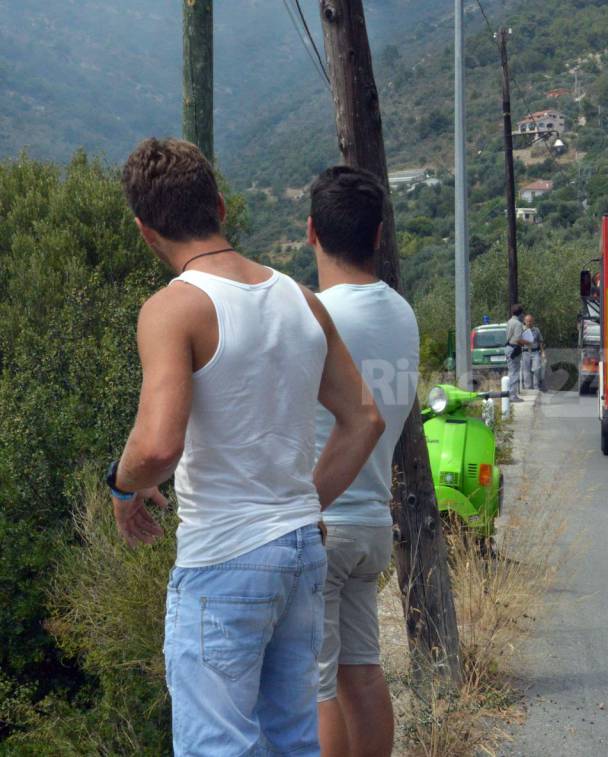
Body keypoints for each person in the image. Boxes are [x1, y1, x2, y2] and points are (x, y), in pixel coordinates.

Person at [108, 138, 384, 756]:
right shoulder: (300, 299)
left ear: (145, 230)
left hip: (225, 557)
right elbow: (364, 418)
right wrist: (297, 504)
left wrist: (123, 486)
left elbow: (155, 446)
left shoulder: (173, 309)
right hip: (298, 552)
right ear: (222, 207)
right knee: (292, 741)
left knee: (218, 746)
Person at [307, 166, 418, 757]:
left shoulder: (316, 317)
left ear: (310, 232)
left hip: (322, 520)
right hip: (373, 518)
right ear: (377, 236)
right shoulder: (403, 315)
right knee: (364, 672)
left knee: (316, 686)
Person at [505, 303, 528, 402]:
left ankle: (510, 394)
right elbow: (518, 339)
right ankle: (512, 396)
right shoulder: (518, 323)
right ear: (520, 313)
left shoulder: (509, 321)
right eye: (522, 313)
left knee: (511, 372)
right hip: (515, 349)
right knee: (514, 373)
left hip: (508, 347)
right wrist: (527, 342)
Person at [522, 314, 546, 391]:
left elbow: (541, 341)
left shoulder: (536, 330)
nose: (529, 323)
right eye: (527, 321)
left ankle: (536, 386)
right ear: (524, 321)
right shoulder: (522, 330)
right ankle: (528, 387)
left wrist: (542, 352)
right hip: (525, 352)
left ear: (533, 321)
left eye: (531, 321)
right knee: (526, 370)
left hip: (535, 352)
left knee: (536, 369)